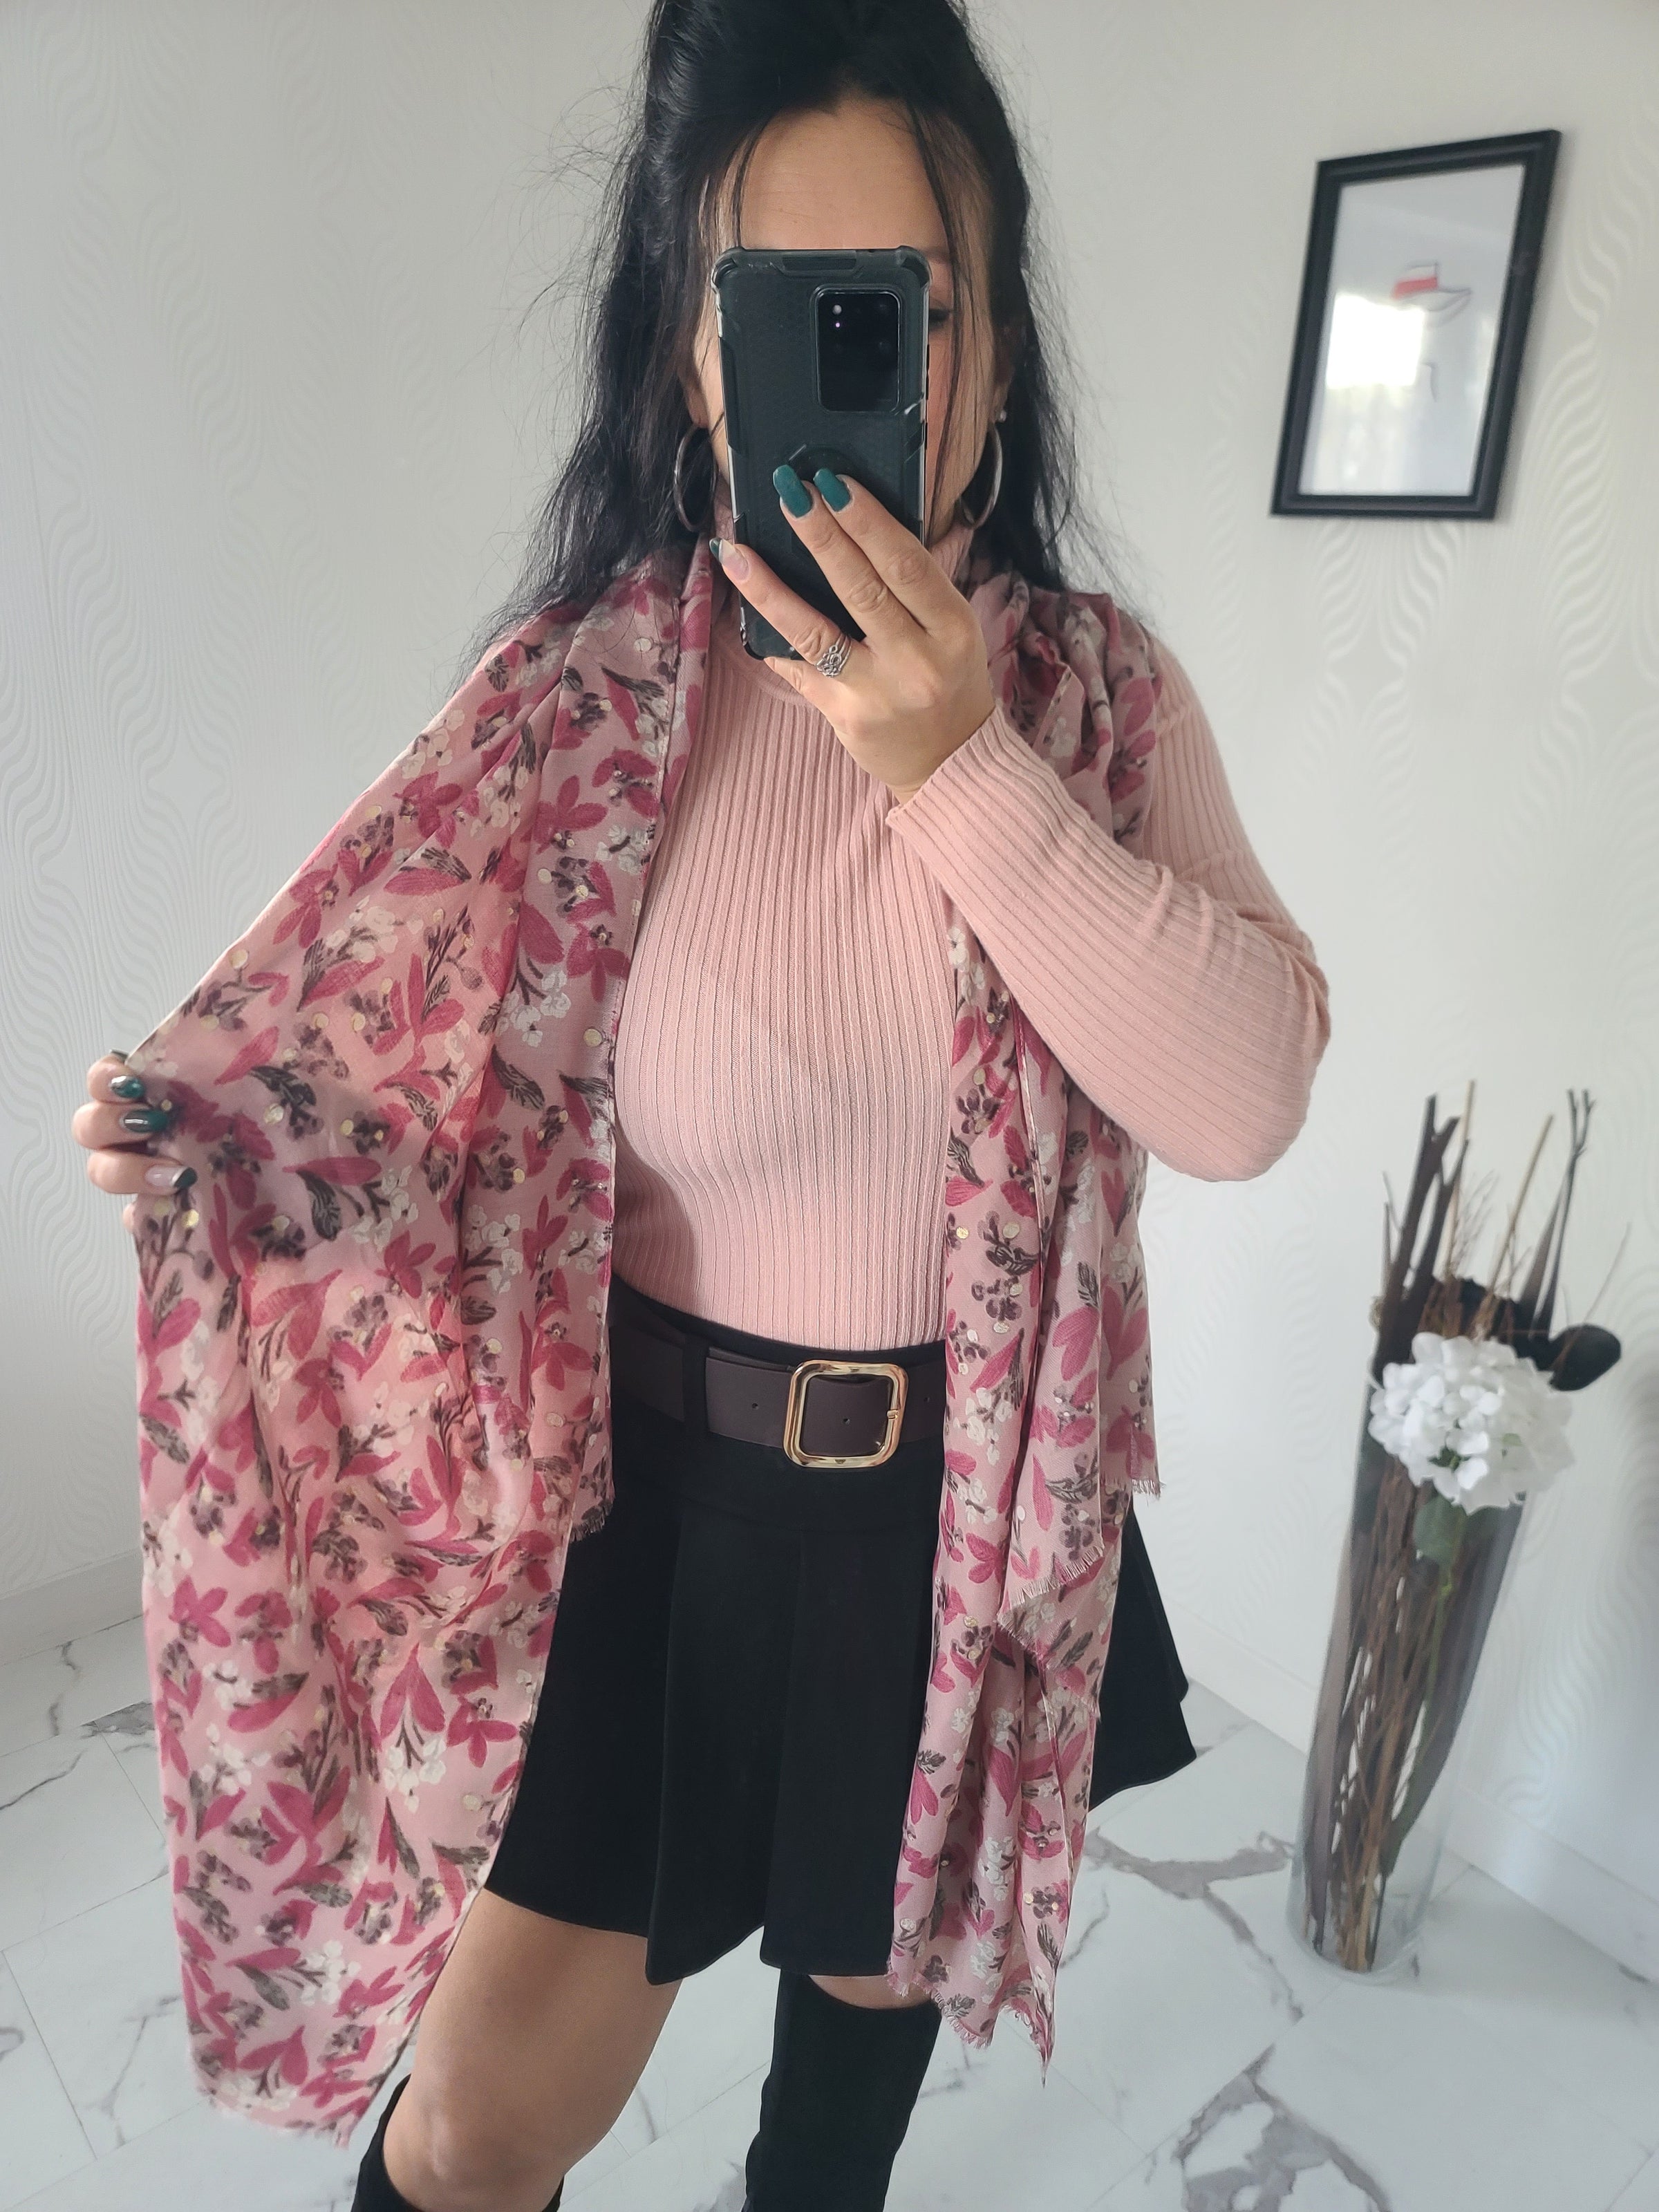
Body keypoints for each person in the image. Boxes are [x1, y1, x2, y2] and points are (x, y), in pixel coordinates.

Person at [73, 1, 1330, 2207]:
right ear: (693, 356)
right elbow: (434, 1119)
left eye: (912, 308)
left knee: (837, 2107)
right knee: (471, 2136)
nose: (861, 365)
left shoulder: (1098, 704)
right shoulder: (578, 713)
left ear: (993, 351)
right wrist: (228, 1149)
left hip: (949, 1532)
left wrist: (957, 766)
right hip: (641, 1519)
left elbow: (1240, 1102)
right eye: (783, 307)